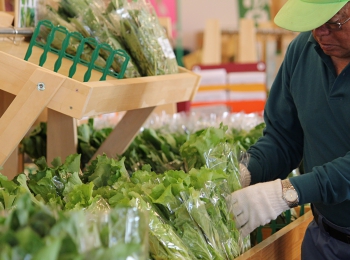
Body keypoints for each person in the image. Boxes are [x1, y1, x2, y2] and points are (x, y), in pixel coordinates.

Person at [225, 0, 350, 259]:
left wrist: (287, 192)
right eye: (313, 22)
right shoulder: (302, 51)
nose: (319, 33)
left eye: (332, 22)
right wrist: (247, 171)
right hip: (324, 240)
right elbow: (284, 139)